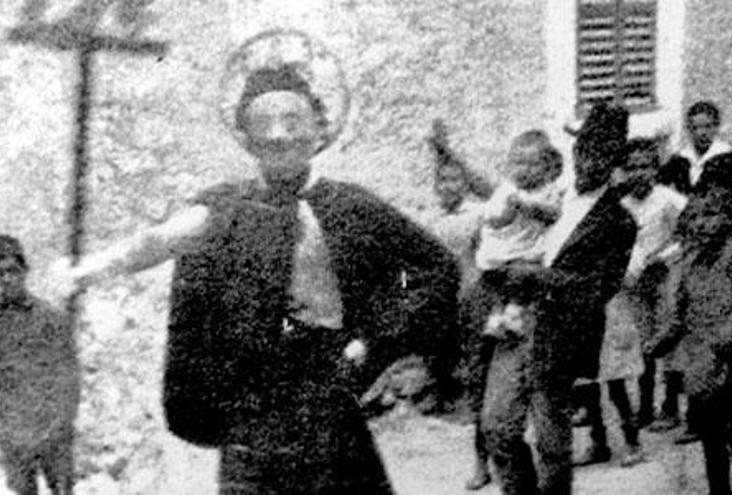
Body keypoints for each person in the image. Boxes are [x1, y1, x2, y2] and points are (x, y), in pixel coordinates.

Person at [52, 44, 459, 492]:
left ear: (319, 130)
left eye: (293, 121)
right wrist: (84, 273)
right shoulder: (226, 209)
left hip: (330, 397)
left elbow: (437, 268)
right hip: (252, 409)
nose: (279, 135)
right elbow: (157, 242)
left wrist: (376, 341)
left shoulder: (352, 207)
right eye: (263, 125)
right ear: (245, 137)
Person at [480, 103, 637, 495]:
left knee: (551, 441)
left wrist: (539, 276)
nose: (589, 162)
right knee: (496, 425)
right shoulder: (551, 192)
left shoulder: (618, 221)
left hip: (559, 333)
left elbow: (597, 289)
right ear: (574, 150)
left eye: (602, 155)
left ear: (615, 161)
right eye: (584, 151)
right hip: (516, 320)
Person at [460, 129, 565, 491]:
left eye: (530, 163)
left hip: (530, 288)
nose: (521, 169)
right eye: (515, 162)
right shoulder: (506, 190)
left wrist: (526, 205)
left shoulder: (551, 194)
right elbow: (492, 213)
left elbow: (552, 217)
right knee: (492, 409)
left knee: (545, 424)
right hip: (496, 286)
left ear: (548, 167)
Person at [572, 138, 687, 467]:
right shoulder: (589, 210)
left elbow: (641, 250)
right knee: (587, 378)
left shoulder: (653, 205)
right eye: (631, 167)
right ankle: (598, 441)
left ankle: (634, 437)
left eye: (645, 166)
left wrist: (652, 261)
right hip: (588, 302)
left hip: (632, 290)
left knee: (620, 374)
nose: (638, 173)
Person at [645, 191, 732, 495]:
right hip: (701, 364)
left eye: (710, 215)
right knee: (711, 438)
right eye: (695, 217)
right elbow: (680, 317)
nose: (702, 224)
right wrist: (661, 341)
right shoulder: (689, 265)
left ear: (725, 218)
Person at [651, 101, 732, 436]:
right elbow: (663, 190)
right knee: (674, 320)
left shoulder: (727, 160)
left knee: (705, 330)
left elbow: (725, 208)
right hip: (684, 246)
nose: (702, 133)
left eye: (707, 126)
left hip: (713, 248)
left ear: (716, 127)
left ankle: (701, 412)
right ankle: (672, 405)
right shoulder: (681, 160)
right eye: (696, 127)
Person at [0, 235, 79, 495]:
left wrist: (62, 423)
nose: (6, 279)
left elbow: (69, 376)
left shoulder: (50, 320)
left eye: (12, 270)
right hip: (14, 438)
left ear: (24, 271)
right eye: (0, 273)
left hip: (53, 434)